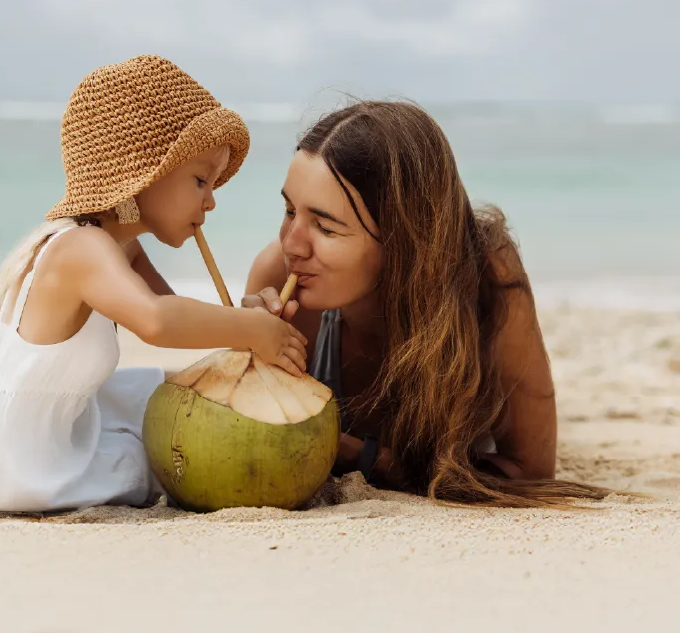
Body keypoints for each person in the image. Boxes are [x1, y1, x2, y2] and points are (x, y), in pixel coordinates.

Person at [0, 55, 308, 513]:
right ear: (141, 170)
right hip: (8, 463)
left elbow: (180, 313)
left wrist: (242, 322)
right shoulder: (81, 249)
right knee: (160, 456)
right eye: (201, 180)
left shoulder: (118, 248)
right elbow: (158, 322)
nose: (211, 201)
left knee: (172, 390)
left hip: (41, 425)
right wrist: (252, 331)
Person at [243, 100, 609, 507]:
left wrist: (354, 453)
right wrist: (251, 368)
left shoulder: (487, 278)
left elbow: (532, 472)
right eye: (289, 210)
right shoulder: (278, 277)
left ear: (403, 238)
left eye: (325, 226)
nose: (291, 243)